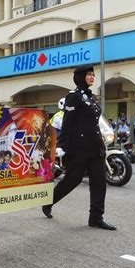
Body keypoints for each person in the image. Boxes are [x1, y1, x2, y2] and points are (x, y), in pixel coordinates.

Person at [42, 65, 116, 230]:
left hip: (95, 146)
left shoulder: (91, 97)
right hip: (79, 148)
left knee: (99, 183)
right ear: (81, 76)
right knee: (71, 180)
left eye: (93, 74)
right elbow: (68, 123)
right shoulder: (73, 97)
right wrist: (62, 145)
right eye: (89, 74)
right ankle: (48, 202)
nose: (92, 77)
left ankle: (96, 218)